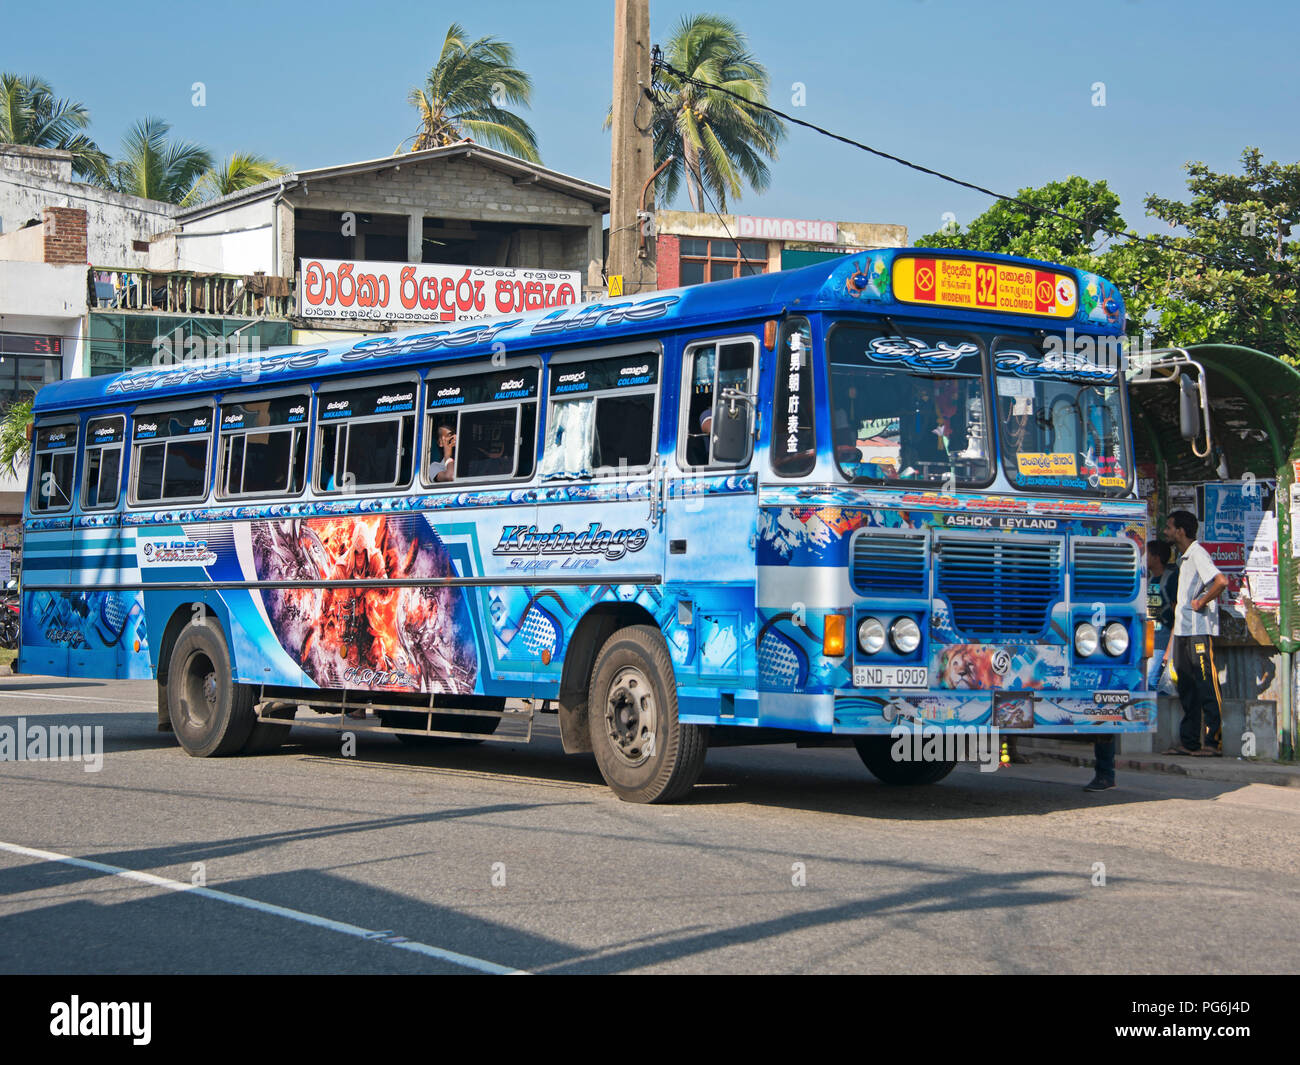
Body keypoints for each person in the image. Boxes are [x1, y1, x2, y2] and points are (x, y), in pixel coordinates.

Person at [1161, 510, 1229, 756]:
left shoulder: (1198, 553)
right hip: (1182, 633)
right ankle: (1189, 741)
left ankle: (1214, 743)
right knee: (1187, 687)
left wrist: (1201, 602)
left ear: (1180, 531)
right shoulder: (1184, 558)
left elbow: (1221, 581)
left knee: (1206, 686)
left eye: (1169, 527)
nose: (1166, 531)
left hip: (1199, 631)